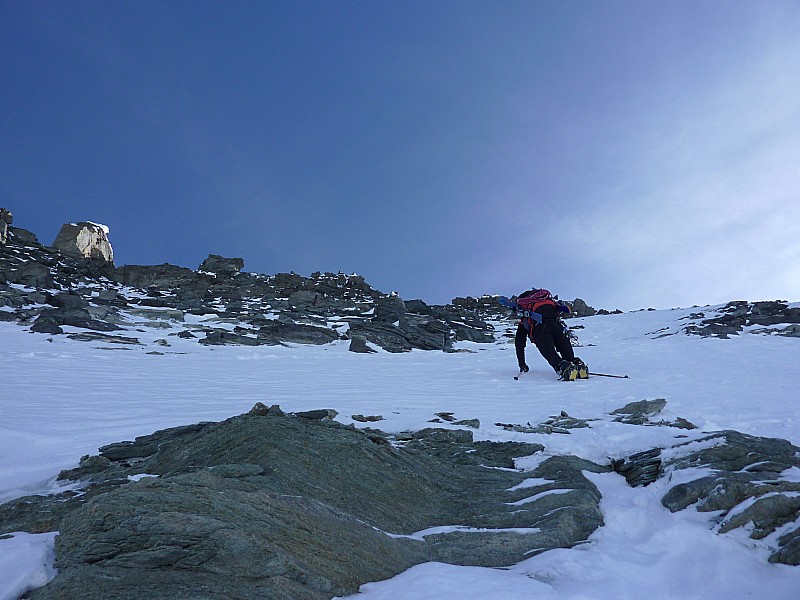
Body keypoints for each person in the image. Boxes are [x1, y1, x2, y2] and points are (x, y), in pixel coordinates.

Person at [513, 289, 588, 381]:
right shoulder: (548, 303)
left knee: (552, 356)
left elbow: (519, 343)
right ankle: (577, 365)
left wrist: (522, 364)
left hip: (541, 330)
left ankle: (563, 368)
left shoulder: (525, 319)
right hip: (557, 327)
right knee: (569, 357)